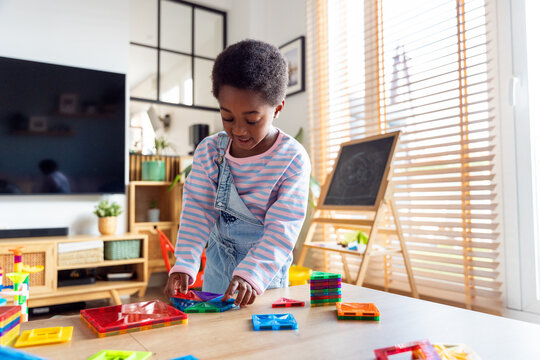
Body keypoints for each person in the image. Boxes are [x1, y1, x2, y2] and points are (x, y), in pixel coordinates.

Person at [164, 39, 311, 307]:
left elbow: (282, 231)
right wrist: (185, 263)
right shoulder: (210, 152)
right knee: (217, 339)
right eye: (227, 117)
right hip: (217, 271)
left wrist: (251, 274)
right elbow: (197, 211)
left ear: (277, 109)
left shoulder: (291, 159)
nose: (239, 130)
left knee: (260, 340)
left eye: (252, 120)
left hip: (263, 279)